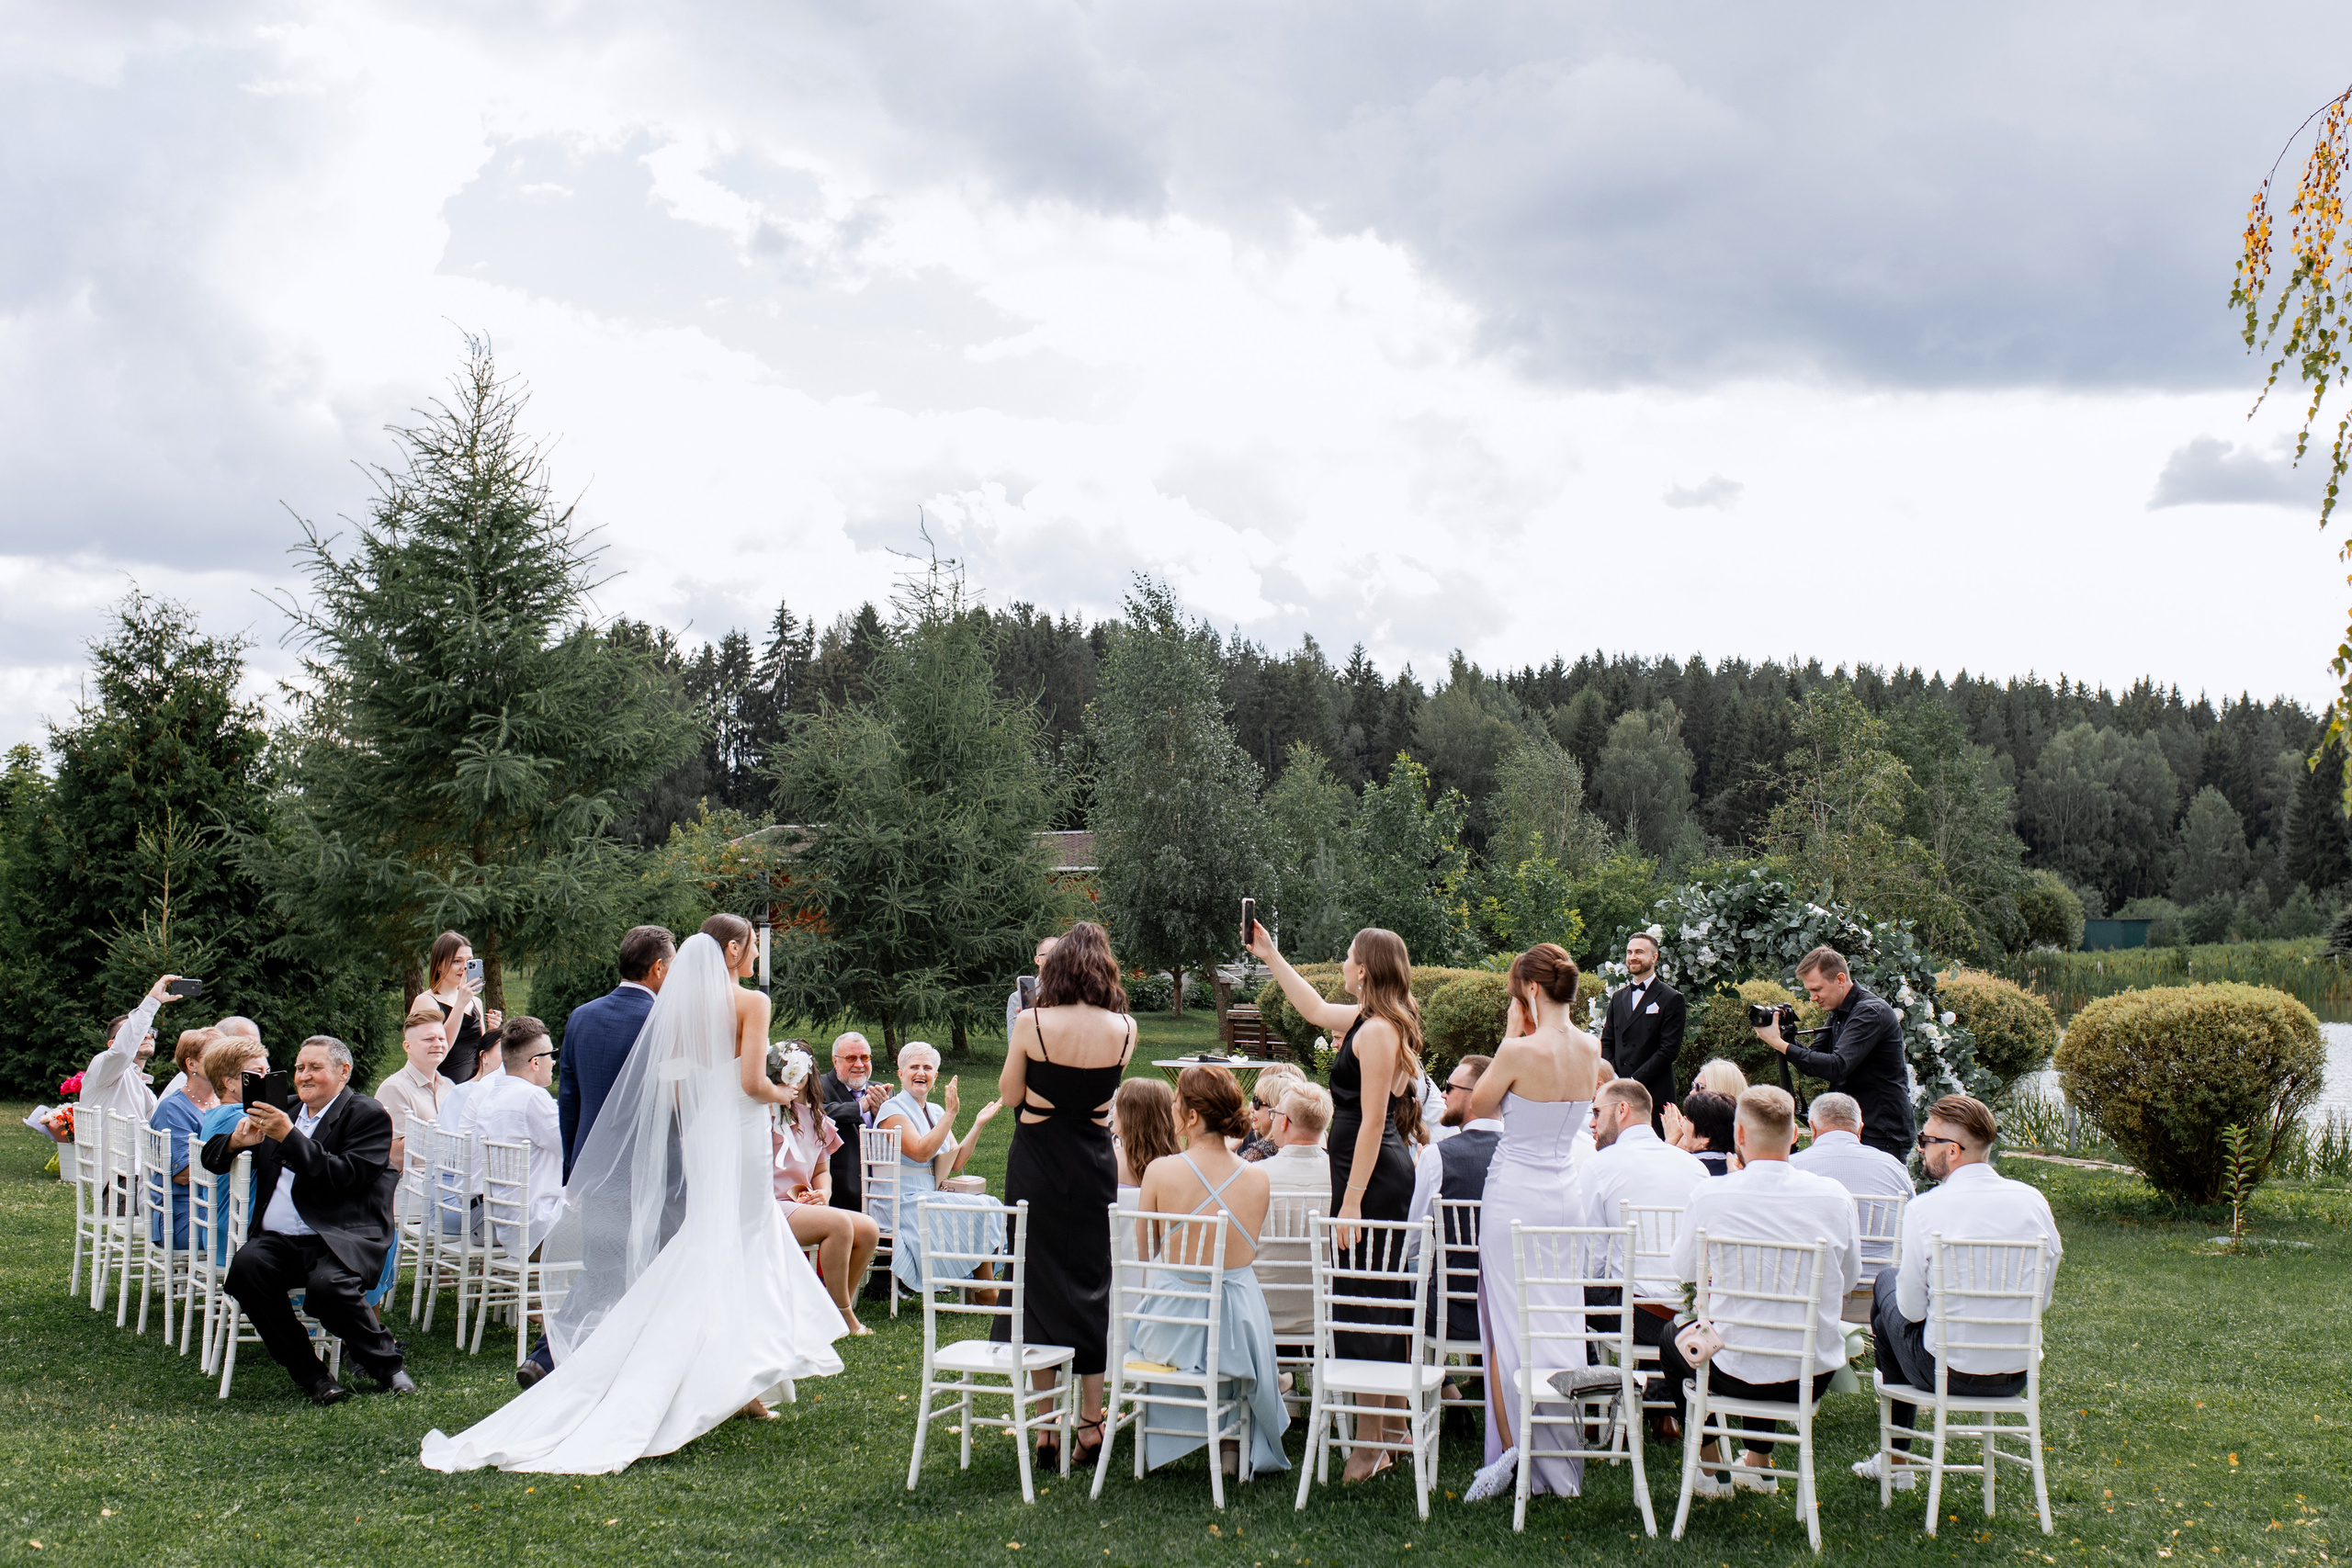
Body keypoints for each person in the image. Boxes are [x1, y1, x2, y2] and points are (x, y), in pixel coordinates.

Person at [420, 917, 846, 1472]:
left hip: (619, 1165)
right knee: (678, 1269)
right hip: (691, 1159)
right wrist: (784, 1090)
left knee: (628, 1270)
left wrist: (579, 1166)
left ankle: (569, 1360)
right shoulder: (724, 1006)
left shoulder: (591, 1016)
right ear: (668, 964)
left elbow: (577, 1094)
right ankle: (685, 1377)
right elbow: (736, 1084)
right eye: (754, 946)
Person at [1248, 919, 1424, 1483]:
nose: (1343, 964)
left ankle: (1370, 1444)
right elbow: (1314, 1009)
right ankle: (1390, 1433)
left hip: (1369, 1177)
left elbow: (1374, 1121)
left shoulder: (1375, 1033)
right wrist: (1271, 954)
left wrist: (1350, 1202)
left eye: (1349, 956)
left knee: (1363, 1303)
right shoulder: (1369, 1021)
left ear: (1366, 969)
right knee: (1372, 1298)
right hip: (1364, 1172)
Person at [1657, 1086, 1860, 1497]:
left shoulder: (1712, 1194)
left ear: (1741, 1137)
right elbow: (1851, 1279)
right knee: (1767, 1332)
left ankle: (1711, 1467)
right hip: (1810, 1372)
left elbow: (1682, 1269)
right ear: (1795, 1136)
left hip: (1730, 1371)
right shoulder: (1834, 1197)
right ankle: (1758, 1463)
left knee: (1673, 1339)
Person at [1855, 1094, 2062, 1492]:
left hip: (1945, 1372)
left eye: (1925, 1139)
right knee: (1892, 1296)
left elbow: (1912, 1311)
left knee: (1887, 1285)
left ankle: (1897, 1458)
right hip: (2016, 1373)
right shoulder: (2033, 1201)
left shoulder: (1927, 1209)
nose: (1919, 1147)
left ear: (1951, 1151)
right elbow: (2043, 1300)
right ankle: (1895, 1460)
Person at [992, 919, 1136, 1472]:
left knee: (1035, 1281)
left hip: (1037, 1162)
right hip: (1095, 1163)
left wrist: (1038, 1091)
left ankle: (1048, 1427)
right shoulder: (1126, 1028)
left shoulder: (1032, 1023)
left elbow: (1009, 1095)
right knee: (1091, 1281)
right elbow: (1102, 1104)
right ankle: (1091, 1421)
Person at [1463, 945, 1600, 1504]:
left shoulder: (1517, 1050)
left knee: (1511, 1325)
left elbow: (1477, 1107)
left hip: (1515, 1192)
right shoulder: (1592, 1047)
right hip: (1565, 1195)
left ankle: (1519, 1453)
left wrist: (1512, 1034)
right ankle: (1560, 1464)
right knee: (1560, 1319)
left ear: (1532, 990)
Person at [204, 1035, 412, 1404]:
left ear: (343, 1072)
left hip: (337, 1236)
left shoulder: (366, 1114)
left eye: (315, 1067)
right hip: (280, 1239)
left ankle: (387, 1365)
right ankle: (313, 1375)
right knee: (247, 1267)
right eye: (300, 1068)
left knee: (328, 1288)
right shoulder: (280, 1109)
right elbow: (211, 1157)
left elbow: (345, 1176)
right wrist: (237, 1141)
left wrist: (288, 1136)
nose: (304, 1076)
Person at [1129, 1064, 1290, 1477]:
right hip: (1240, 1330)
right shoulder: (1258, 1178)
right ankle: (1233, 1438)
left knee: (1160, 1323)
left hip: (1170, 1329)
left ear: (1193, 1116)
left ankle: (1182, 1428)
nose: (1172, 1107)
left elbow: (1146, 1252)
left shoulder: (1161, 1170)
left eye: (1176, 1101)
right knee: (1233, 1334)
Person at [1577, 1078, 1709, 1437]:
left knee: (1568, 1291)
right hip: (1693, 1315)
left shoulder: (1599, 1167)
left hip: (1632, 1315)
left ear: (1622, 1110)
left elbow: (1592, 1264)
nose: (1591, 1122)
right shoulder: (1693, 1167)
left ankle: (1593, 1404)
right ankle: (1662, 1402)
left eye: (1596, 1112)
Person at [1754, 946, 1917, 1161]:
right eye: (1810, 991)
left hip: (1881, 1130)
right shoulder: (1839, 1011)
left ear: (1840, 979)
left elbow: (1837, 1067)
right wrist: (1787, 1039)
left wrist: (1780, 1045)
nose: (1813, 997)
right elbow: (1815, 1061)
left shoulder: (1869, 1011)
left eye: (1817, 989)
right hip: (1857, 1128)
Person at [873, 1042, 1002, 1295]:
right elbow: (920, 1152)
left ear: (935, 1076)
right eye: (914, 1067)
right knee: (978, 1207)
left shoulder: (935, 1110)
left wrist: (978, 1125)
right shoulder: (892, 1109)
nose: (921, 1073)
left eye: (927, 1068)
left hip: (926, 1196)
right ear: (901, 1074)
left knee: (991, 1203)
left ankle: (982, 1287)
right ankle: (985, 1291)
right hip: (899, 1200)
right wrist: (951, 1114)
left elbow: (956, 1162)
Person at [771, 1043, 882, 1337]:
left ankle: (829, 1310)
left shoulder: (815, 1118)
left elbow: (821, 1171)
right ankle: (843, 1317)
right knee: (839, 1223)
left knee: (869, 1228)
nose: (794, 1080)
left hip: (806, 1206)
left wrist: (824, 1194)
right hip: (770, 1205)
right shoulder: (763, 1116)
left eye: (800, 1073)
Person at [556, 925, 673, 1178]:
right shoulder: (663, 1021)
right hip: (644, 1171)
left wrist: (571, 1168)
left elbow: (568, 1100)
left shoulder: (580, 1016)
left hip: (588, 1166)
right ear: (658, 967)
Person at [468, 1017, 565, 1254]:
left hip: (507, 1227)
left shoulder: (493, 1096)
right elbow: (574, 1148)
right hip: (538, 1232)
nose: (553, 1062)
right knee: (622, 1228)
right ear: (535, 1063)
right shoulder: (533, 1099)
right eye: (551, 1055)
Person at [1431, 1055, 1499, 1352]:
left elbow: (1413, 1236)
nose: (1443, 1095)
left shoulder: (1437, 1156)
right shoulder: (1523, 1157)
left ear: (1475, 1098)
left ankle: (1429, 1383)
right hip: (1506, 1313)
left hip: (1451, 1314)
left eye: (1450, 1087)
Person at [1256, 1081, 1333, 1341]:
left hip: (1260, 1311)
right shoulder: (1342, 1179)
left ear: (1285, 1122)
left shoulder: (1255, 1176)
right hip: (1326, 1312)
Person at [1599, 931, 1684, 1134]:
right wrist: (1615, 1077)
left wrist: (1634, 1081)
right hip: (1619, 1093)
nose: (1633, 957)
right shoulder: (1618, 998)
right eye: (1629, 952)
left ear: (1654, 957)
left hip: (1655, 1093)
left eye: (1639, 952)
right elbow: (1608, 1041)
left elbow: (1669, 1050)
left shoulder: (1671, 998)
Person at [196, 1036, 269, 1265]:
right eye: (258, 1072)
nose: (267, 1078)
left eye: (268, 1070)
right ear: (229, 1083)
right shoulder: (242, 1120)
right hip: (239, 1235)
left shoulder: (217, 1114)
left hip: (219, 1230)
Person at [80, 975, 186, 1124]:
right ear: (112, 1044)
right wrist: (153, 1001)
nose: (147, 1035)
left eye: (150, 1031)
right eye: (140, 1032)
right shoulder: (102, 1067)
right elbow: (122, 1050)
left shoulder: (149, 1093)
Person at [148, 1032, 218, 1252]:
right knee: (250, 1233)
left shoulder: (225, 1104)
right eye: (215, 1055)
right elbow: (183, 1173)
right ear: (191, 1064)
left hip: (216, 1205)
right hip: (183, 1215)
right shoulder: (172, 1109)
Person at [1788, 1090, 1916, 1206]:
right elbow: (1912, 1215)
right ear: (1860, 1128)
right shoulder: (1893, 1167)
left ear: (1812, 1127)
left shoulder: (1790, 1167)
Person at [818, 1032, 890, 1217]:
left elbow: (894, 1136)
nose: (859, 1065)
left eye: (865, 1057)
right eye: (851, 1058)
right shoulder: (819, 1085)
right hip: (839, 1194)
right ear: (835, 1061)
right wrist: (861, 1106)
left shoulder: (880, 1091)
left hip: (881, 1192)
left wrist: (881, 1113)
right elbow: (819, 1112)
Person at [379, 1001, 454, 1174]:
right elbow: (394, 1155)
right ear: (408, 1047)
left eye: (441, 1039)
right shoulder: (394, 1088)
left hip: (450, 1180)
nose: (438, 1044)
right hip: (412, 1185)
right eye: (428, 1039)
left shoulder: (449, 1086)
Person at [1114, 1077, 1181, 1208]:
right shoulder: (1180, 1167)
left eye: (1118, 1107)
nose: (1112, 1112)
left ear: (1131, 1117)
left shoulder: (1111, 1164)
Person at [1239, 1064, 1306, 1161]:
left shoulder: (1260, 1153)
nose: (1251, 1108)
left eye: (1257, 1102)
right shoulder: (1309, 1144)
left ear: (1276, 1108)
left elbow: (1231, 1175)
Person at [1005, 933, 1061, 1046]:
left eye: (1064, 955)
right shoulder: (1018, 998)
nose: (1059, 960)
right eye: (1053, 954)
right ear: (1038, 960)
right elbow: (1014, 1044)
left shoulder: (1073, 994)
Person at [1665, 1089, 1737, 1176]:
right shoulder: (1738, 1167)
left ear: (1705, 1136)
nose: (1681, 1122)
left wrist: (1671, 1139)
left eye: (1687, 1119)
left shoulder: (1687, 1169)